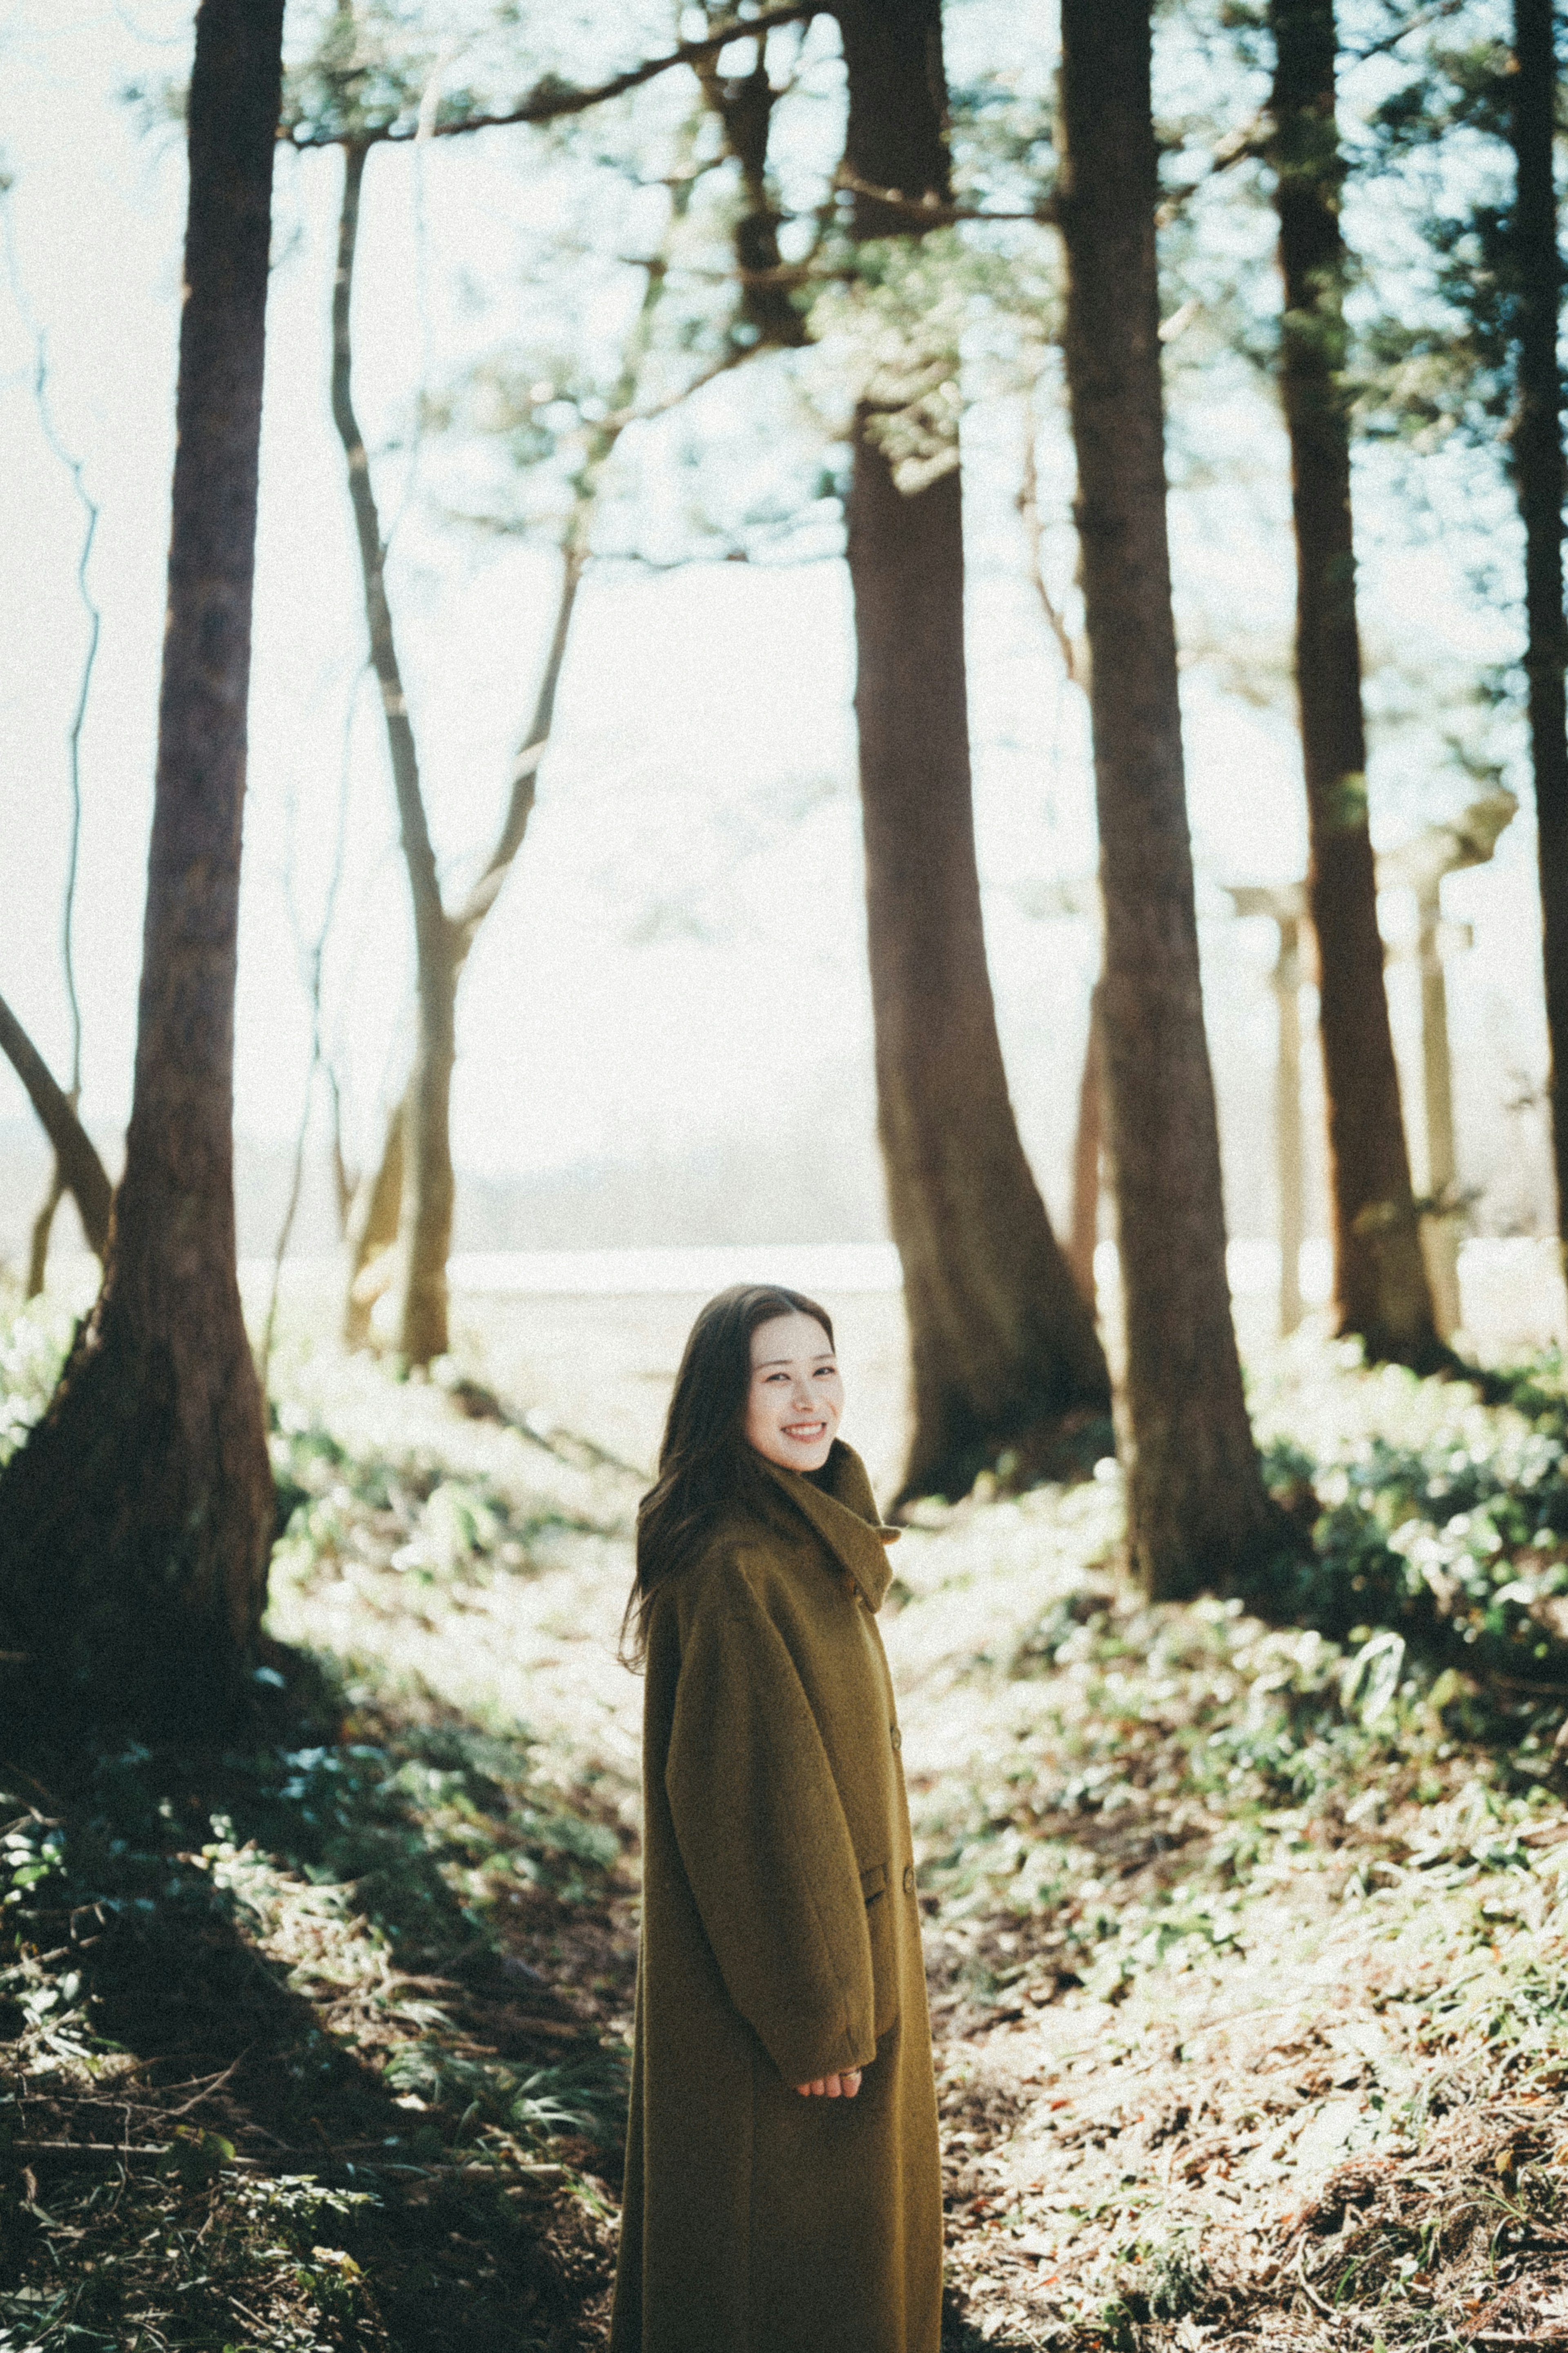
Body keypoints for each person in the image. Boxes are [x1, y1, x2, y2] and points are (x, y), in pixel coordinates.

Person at [608, 1284, 943, 2353]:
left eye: (824, 1368)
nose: (811, 1399)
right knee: (790, 2288)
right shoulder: (737, 1563)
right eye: (777, 1376)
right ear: (727, 1398)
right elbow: (758, 1817)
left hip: (844, 1970)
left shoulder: (807, 1539)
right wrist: (819, 2013)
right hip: (793, 2006)